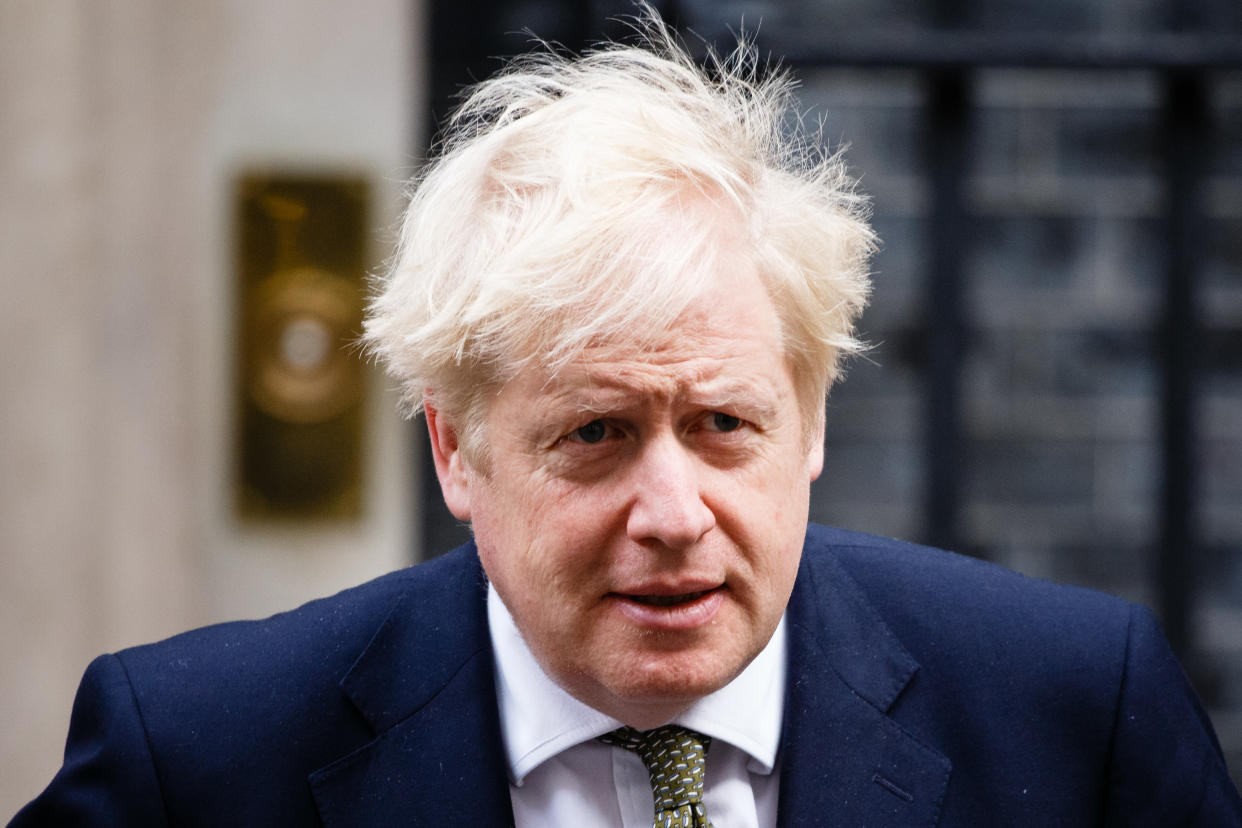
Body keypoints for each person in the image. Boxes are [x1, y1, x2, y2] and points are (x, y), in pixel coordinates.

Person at [11, 11, 1240, 828]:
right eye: (595, 434)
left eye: (722, 424)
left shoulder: (1079, 720)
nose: (671, 515)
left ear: (809, 424)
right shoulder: (199, 759)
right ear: (455, 448)